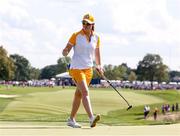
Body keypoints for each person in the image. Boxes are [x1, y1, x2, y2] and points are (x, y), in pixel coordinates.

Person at [62, 13, 103, 128]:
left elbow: (97, 53)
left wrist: (99, 66)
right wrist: (65, 51)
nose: (85, 25)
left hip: (88, 69)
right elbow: (67, 48)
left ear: (93, 25)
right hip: (76, 68)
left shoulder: (96, 38)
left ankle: (71, 119)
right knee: (85, 92)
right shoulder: (76, 35)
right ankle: (91, 118)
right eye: (83, 23)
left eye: (88, 23)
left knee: (79, 94)